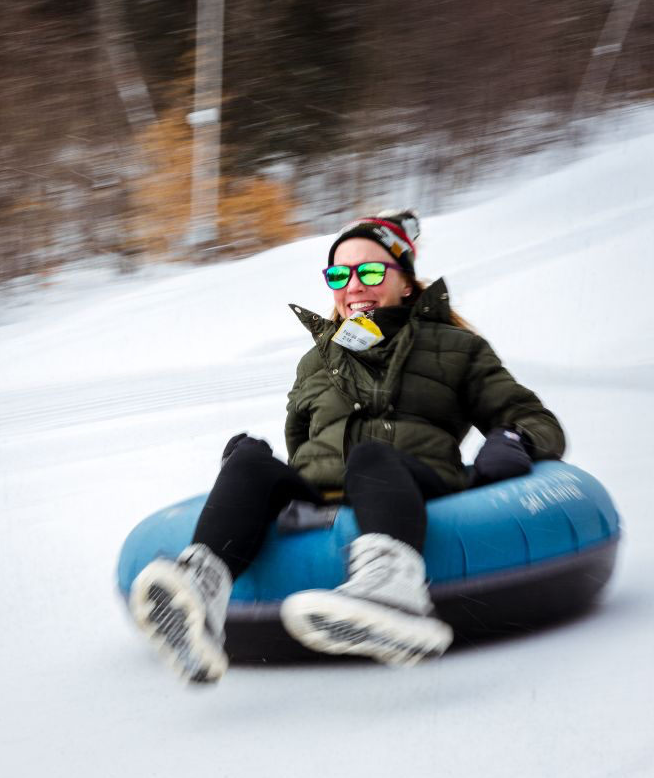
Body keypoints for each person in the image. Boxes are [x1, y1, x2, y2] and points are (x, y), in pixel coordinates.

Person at [130, 209, 566, 684]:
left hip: (410, 482)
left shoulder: (457, 348)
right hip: (324, 495)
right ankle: (200, 592)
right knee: (252, 462)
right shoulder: (316, 359)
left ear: (406, 282)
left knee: (370, 455)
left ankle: (393, 590)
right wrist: (249, 470)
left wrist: (513, 439)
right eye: (340, 273)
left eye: (371, 270)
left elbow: (536, 421)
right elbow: (303, 447)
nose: (354, 285)